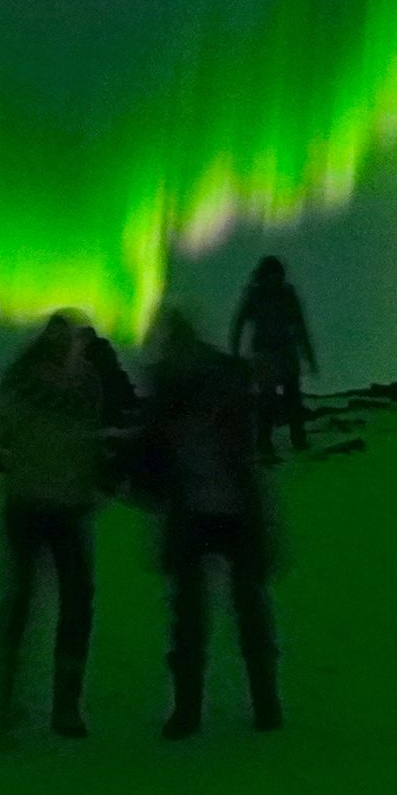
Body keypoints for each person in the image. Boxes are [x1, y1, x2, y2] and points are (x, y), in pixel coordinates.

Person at [0, 313, 114, 743]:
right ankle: (64, 707)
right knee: (72, 604)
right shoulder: (85, 386)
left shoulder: (23, 382)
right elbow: (89, 442)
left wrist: (1, 455)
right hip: (64, 508)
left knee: (21, 603)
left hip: (30, 504)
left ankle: (3, 706)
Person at [140, 309, 281, 738]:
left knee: (230, 612)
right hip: (204, 515)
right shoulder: (186, 385)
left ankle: (244, 706)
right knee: (206, 615)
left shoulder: (194, 384)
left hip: (222, 514)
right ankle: (230, 707)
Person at [231, 254, 319, 458]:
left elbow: (299, 325)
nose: (276, 279)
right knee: (267, 399)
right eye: (272, 275)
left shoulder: (287, 295)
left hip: (285, 350)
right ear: (264, 276)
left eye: (278, 275)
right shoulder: (255, 295)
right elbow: (239, 323)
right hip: (264, 353)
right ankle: (264, 443)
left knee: (293, 396)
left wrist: (308, 354)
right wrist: (235, 353)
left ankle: (298, 438)